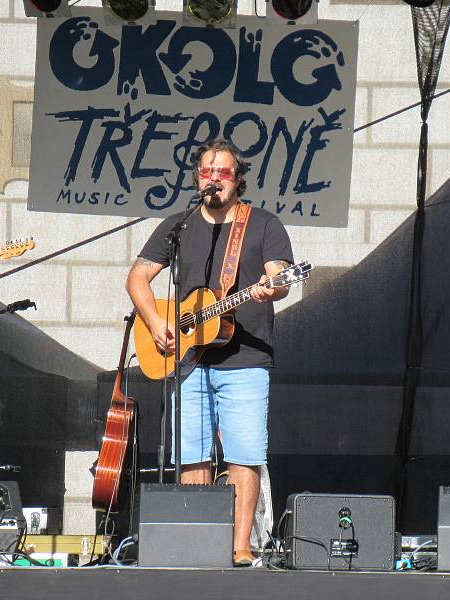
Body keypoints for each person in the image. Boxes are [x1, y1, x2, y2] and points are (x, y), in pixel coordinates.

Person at [126, 139, 293, 567]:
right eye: (206, 172)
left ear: (238, 179)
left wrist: (269, 286)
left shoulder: (263, 224)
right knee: (192, 452)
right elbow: (138, 278)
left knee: (245, 452)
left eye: (222, 172)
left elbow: (280, 279)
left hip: (245, 361)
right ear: (197, 178)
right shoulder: (177, 226)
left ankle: (239, 546)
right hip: (188, 359)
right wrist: (155, 321)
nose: (213, 178)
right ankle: (200, 538)